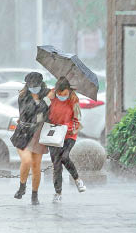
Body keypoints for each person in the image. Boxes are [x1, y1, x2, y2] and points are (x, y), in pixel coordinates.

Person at [11, 72, 53, 205]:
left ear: (41, 84)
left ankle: (34, 195)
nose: (34, 88)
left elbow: (50, 113)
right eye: (31, 85)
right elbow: (31, 113)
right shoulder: (23, 97)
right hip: (24, 134)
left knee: (36, 167)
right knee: (27, 160)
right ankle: (22, 186)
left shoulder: (47, 93)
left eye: (37, 85)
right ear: (27, 85)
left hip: (39, 134)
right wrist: (46, 101)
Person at [48, 76, 86, 203]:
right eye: (59, 93)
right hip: (53, 134)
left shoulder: (73, 99)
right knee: (57, 165)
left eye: (63, 94)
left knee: (65, 157)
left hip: (69, 134)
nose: (61, 96)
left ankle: (77, 179)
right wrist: (48, 97)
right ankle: (58, 193)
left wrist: (69, 126)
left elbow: (77, 118)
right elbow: (41, 108)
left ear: (68, 91)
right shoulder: (51, 95)